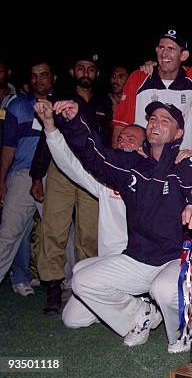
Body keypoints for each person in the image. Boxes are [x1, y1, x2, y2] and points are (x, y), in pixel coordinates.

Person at [47, 99, 192, 353]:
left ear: (178, 133)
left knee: (163, 291)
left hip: (176, 258)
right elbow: (94, 156)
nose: (155, 124)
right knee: (82, 280)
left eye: (165, 120)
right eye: (152, 119)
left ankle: (184, 329)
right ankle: (139, 315)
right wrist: (74, 121)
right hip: (139, 258)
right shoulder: (132, 166)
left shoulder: (184, 161)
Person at [38, 111, 146, 328]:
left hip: (141, 264)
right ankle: (139, 307)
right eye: (120, 138)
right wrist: (50, 127)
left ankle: (141, 307)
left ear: (143, 149)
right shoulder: (106, 181)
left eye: (130, 139)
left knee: (81, 274)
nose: (122, 142)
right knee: (72, 319)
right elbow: (70, 164)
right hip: (111, 263)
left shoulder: (154, 180)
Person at [30, 51, 111, 315]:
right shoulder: (59, 101)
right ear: (72, 72)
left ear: (96, 74)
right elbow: (46, 139)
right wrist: (36, 176)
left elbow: (108, 142)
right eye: (80, 68)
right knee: (53, 229)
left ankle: (85, 292)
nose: (85, 72)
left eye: (90, 69)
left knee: (89, 234)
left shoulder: (104, 102)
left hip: (91, 173)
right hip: (61, 171)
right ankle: (53, 288)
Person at [0, 60, 55, 294]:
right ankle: (13, 276)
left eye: (43, 75)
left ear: (53, 78)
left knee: (60, 234)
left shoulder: (63, 105)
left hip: (55, 177)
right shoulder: (17, 105)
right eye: (33, 76)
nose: (38, 80)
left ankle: (71, 286)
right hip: (22, 175)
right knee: (9, 233)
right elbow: (8, 147)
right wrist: (1, 181)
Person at [111, 28, 192, 146]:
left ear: (183, 55)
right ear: (156, 50)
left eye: (171, 48)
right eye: (161, 48)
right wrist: (115, 159)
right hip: (143, 158)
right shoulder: (139, 77)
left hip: (180, 157)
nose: (164, 54)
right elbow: (121, 124)